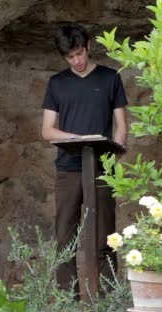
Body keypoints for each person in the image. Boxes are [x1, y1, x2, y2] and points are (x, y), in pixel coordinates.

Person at [41, 23, 128, 294]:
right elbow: (47, 130)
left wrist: (116, 155)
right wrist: (79, 139)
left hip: (102, 169)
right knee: (65, 238)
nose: (76, 61)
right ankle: (68, 303)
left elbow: (121, 126)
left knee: (106, 237)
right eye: (70, 57)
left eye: (79, 53)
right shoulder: (57, 83)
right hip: (68, 170)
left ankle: (107, 302)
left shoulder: (110, 78)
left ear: (88, 46)